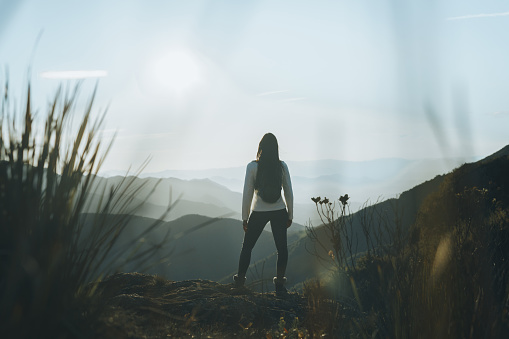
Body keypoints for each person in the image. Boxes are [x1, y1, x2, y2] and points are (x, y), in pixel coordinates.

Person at [233, 133, 294, 296]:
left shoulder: (252, 167)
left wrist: (245, 217)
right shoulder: (282, 166)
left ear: (260, 148)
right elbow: (288, 190)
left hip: (259, 212)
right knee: (282, 249)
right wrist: (290, 214)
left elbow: (247, 193)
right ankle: (280, 285)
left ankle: (240, 281)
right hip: (279, 211)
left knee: (247, 247)